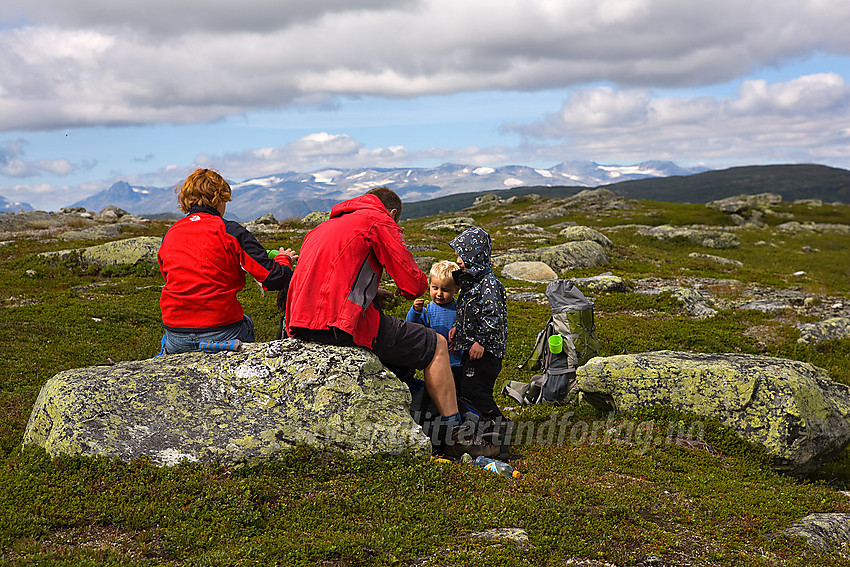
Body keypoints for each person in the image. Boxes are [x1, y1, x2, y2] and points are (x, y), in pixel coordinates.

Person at [285, 186, 495, 456]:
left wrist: (372, 292)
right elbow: (411, 284)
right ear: (393, 212)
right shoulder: (379, 221)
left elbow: (326, 282)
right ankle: (456, 433)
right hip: (339, 325)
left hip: (296, 324)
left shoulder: (322, 228)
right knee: (436, 345)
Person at [157, 168, 296, 354]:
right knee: (247, 322)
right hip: (221, 332)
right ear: (219, 199)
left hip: (176, 334)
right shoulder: (230, 231)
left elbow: (170, 278)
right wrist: (284, 259)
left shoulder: (171, 233)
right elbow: (274, 278)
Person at [448, 227, 508, 420]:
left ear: (476, 256)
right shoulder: (473, 281)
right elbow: (470, 310)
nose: (458, 260)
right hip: (474, 348)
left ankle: (501, 426)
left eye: (462, 256)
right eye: (458, 255)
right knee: (466, 389)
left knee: (477, 391)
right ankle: (485, 426)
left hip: (487, 351)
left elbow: (493, 316)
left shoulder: (489, 284)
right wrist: (459, 327)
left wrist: (480, 341)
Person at [406, 260, 463, 385]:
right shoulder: (428, 311)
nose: (439, 294)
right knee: (437, 389)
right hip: (435, 361)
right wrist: (415, 311)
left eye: (446, 290)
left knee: (459, 390)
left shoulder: (461, 308)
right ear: (429, 285)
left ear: (456, 289)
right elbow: (412, 327)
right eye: (435, 288)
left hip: (458, 360)